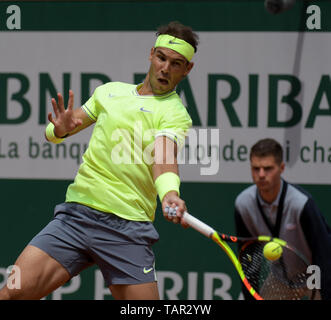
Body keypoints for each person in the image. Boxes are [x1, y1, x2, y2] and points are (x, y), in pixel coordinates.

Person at [0, 21, 198, 300]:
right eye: (161, 58)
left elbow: (163, 157)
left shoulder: (175, 114)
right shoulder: (109, 92)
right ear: (151, 54)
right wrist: (59, 128)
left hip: (127, 228)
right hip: (75, 218)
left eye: (176, 63)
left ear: (187, 69)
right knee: (11, 294)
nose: (165, 68)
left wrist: (169, 194)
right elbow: (59, 130)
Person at [234, 138, 331, 300]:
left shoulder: (301, 204)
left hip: (317, 277)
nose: (261, 175)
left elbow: (324, 254)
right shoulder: (243, 204)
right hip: (282, 279)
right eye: (256, 168)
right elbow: (248, 258)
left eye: (268, 168)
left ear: (282, 168)